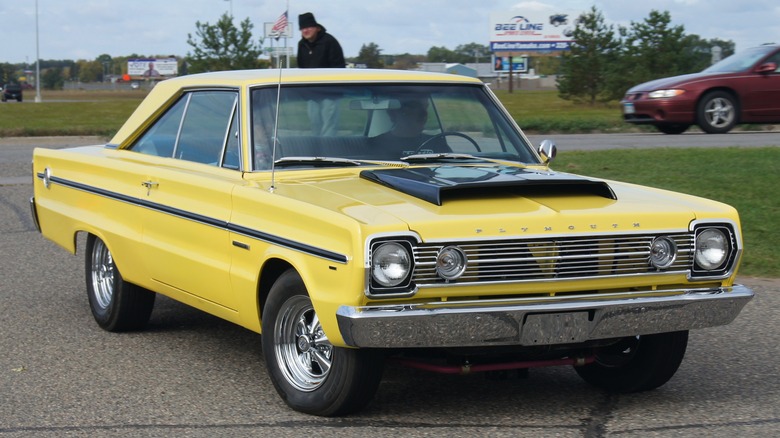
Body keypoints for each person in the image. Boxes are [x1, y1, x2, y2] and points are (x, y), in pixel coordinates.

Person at [297, 12, 345, 136]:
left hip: (330, 93)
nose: (306, 30)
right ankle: (316, 151)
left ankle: (328, 151)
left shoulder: (329, 41)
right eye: (303, 28)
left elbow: (339, 68)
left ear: (316, 28)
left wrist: (333, 88)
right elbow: (301, 69)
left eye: (308, 27)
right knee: (315, 125)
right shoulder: (301, 45)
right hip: (312, 94)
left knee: (329, 127)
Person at [370, 98, 448, 159]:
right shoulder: (375, 145)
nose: (424, 113)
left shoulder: (437, 143)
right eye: (415, 107)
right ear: (394, 113)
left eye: (425, 107)